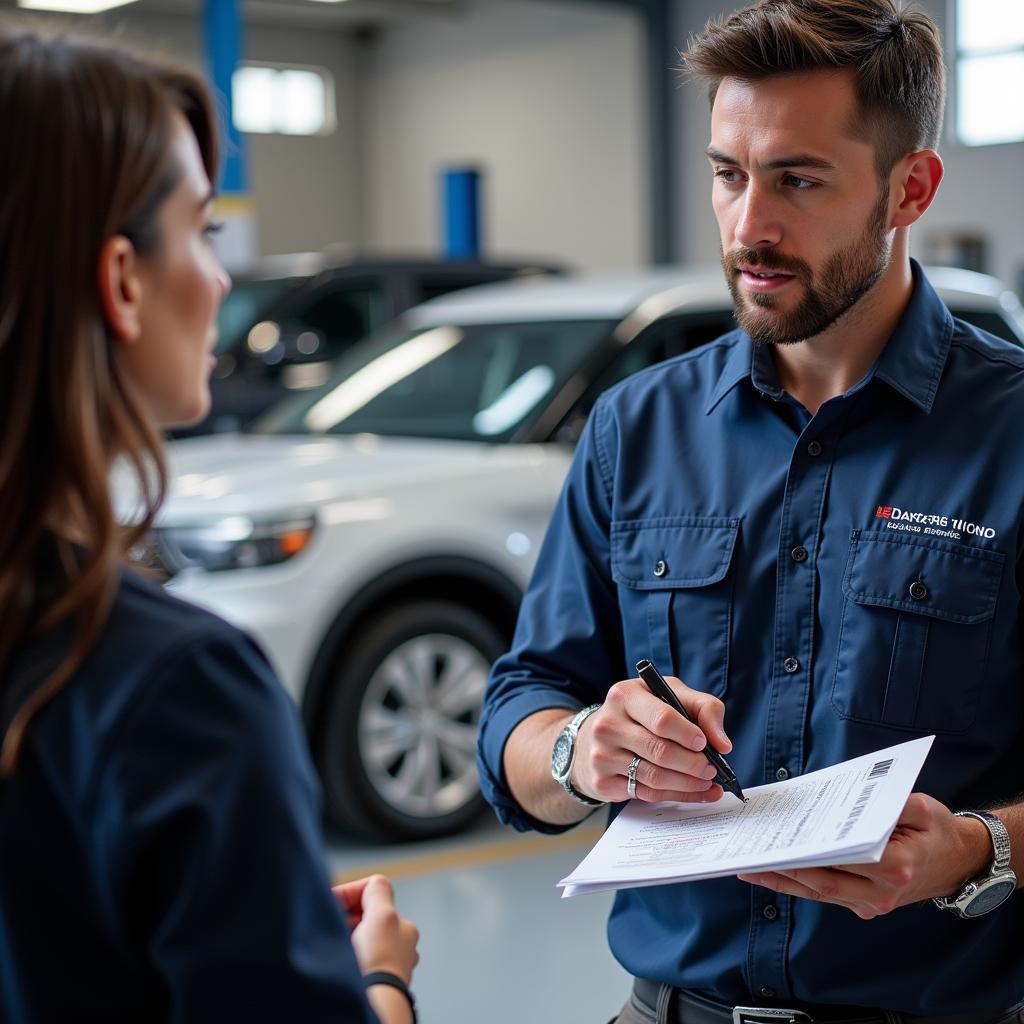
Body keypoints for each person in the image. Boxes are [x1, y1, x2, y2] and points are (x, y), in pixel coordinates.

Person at [477, 1, 1024, 1022]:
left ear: (910, 188)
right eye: (728, 174)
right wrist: (579, 746)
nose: (746, 228)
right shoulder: (634, 430)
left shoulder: (1011, 434)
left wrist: (978, 847)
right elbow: (522, 704)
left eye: (797, 180)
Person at [0, 25, 419, 1024]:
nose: (223, 278)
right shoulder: (175, 689)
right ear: (122, 280)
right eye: (202, 231)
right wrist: (377, 983)